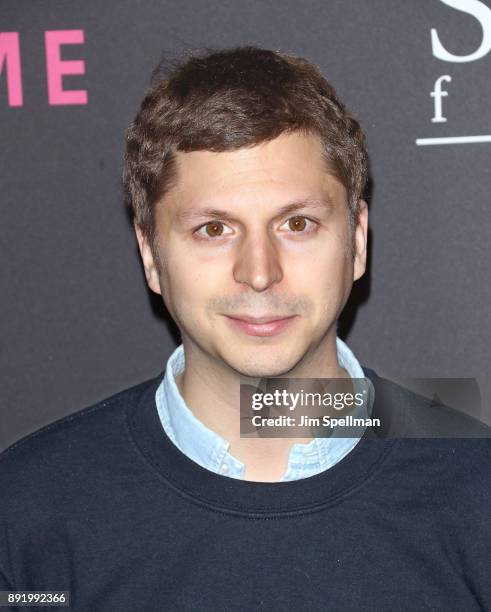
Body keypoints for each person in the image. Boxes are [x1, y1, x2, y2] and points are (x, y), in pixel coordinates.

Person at [0, 46, 489, 611]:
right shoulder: (29, 514)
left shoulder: (478, 490)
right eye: (213, 229)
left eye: (298, 223)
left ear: (356, 241)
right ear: (151, 255)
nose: (259, 272)